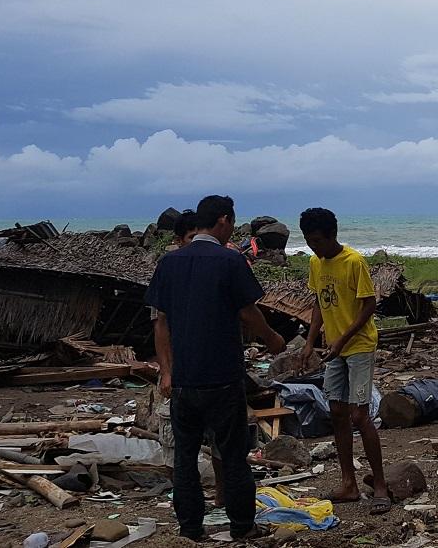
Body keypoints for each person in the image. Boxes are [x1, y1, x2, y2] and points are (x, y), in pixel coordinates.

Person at [146, 195, 285, 542]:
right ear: (222, 220)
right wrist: (272, 339)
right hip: (222, 376)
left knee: (185, 458)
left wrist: (166, 370)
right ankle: (242, 526)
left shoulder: (170, 263)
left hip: (183, 380)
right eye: (232, 223)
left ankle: (191, 528)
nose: (233, 230)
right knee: (235, 456)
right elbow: (248, 311)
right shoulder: (230, 260)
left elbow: (160, 324)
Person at [298, 207, 390, 515]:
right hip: (334, 349)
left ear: (331, 236)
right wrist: (310, 342)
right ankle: (348, 483)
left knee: (359, 416)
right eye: (308, 242)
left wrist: (342, 340)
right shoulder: (315, 262)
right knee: (336, 411)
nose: (313, 248)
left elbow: (369, 306)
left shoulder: (353, 262)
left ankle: (379, 485)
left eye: (317, 241)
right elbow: (319, 303)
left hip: (359, 346)